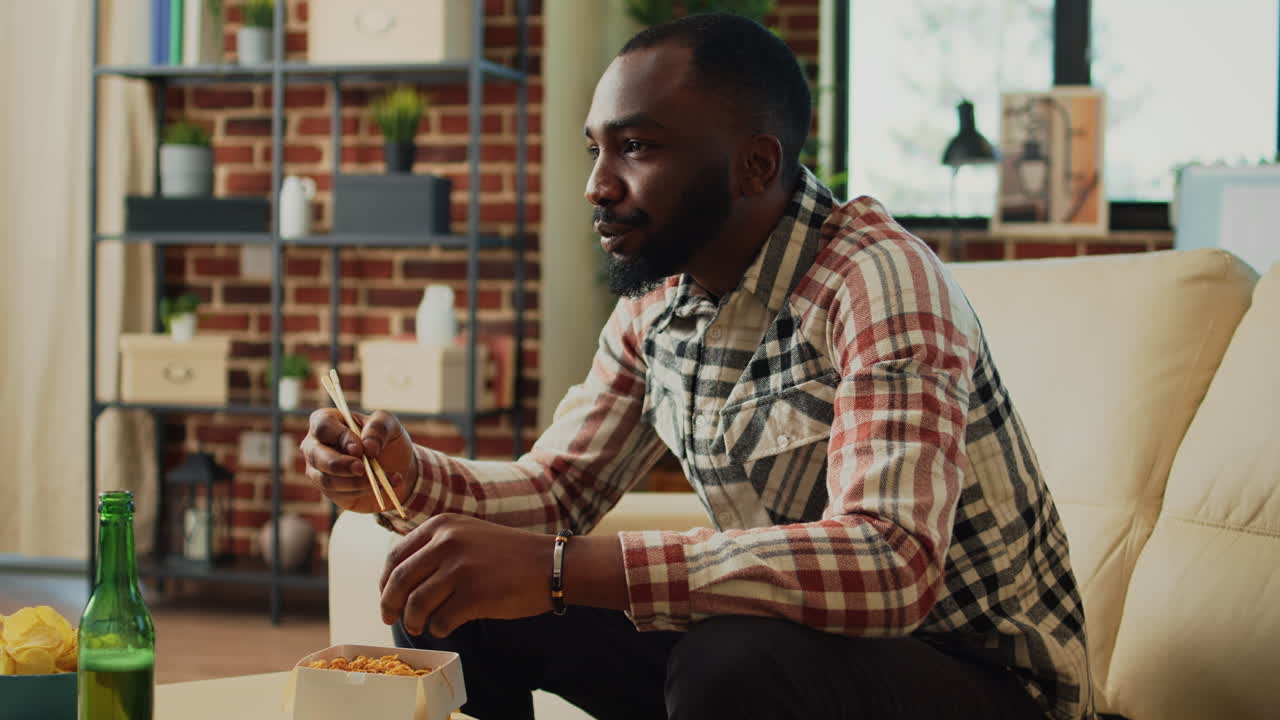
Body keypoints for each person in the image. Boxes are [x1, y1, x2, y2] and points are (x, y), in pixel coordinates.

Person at [302, 12, 1092, 720]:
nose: (597, 185)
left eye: (636, 147)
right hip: (785, 654)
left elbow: (890, 563)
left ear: (755, 165)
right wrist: (406, 479)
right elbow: (556, 490)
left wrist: (558, 567)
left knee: (733, 663)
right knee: (455, 592)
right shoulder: (659, 303)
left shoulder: (879, 280)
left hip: (982, 680)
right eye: (597, 149)